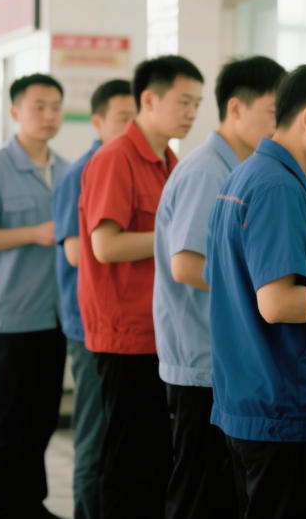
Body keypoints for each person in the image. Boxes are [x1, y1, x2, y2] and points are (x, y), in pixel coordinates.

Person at [206, 64, 306, 519]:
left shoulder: (249, 174)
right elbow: (277, 303)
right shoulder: (277, 186)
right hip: (279, 403)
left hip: (249, 395)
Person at [153, 56, 285, 519]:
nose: (281, 123)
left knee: (219, 495)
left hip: (221, 361)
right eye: (274, 111)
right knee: (198, 492)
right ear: (236, 108)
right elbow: (186, 265)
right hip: (200, 363)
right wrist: (266, 292)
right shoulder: (207, 170)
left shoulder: (243, 166)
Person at [78, 55, 204, 517]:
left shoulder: (172, 161)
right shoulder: (115, 158)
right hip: (126, 334)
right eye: (183, 101)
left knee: (156, 458)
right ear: (147, 100)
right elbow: (105, 246)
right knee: (129, 460)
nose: (192, 112)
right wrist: (177, 238)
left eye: (197, 103)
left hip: (163, 331)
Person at [0, 73, 70, 519]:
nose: (48, 115)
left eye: (56, 106)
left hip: (53, 314)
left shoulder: (64, 169)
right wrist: (33, 233)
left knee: (42, 418)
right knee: (8, 421)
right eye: (39, 106)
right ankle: (3, 509)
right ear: (15, 112)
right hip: (8, 317)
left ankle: (31, 504)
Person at [52, 78, 136, 519]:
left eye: (136, 118)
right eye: (123, 118)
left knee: (118, 435)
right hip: (91, 326)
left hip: (126, 328)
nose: (131, 127)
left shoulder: (130, 165)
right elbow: (74, 251)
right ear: (98, 120)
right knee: (93, 433)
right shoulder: (83, 172)